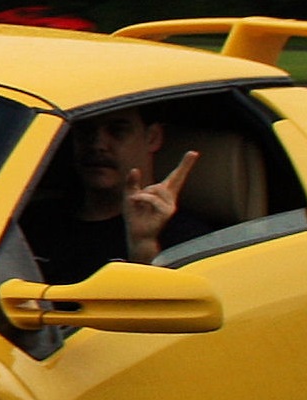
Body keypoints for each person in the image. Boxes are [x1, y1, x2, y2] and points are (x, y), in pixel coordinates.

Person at [26, 106, 213, 284]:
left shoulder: (186, 239)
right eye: (85, 130)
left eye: (117, 131)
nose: (98, 145)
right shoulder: (32, 219)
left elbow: (163, 303)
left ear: (152, 138)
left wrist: (143, 247)